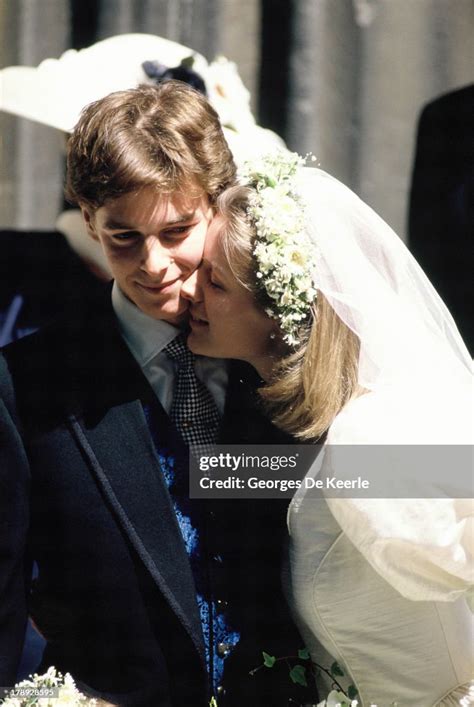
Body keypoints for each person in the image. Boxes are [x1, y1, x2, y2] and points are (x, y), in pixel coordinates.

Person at [0, 85, 316, 707]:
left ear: (217, 207)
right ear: (87, 219)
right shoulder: (24, 383)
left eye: (177, 231)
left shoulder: (289, 349)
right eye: (123, 238)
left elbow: (376, 483)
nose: (155, 265)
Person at [181, 151, 474, 705]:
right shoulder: (304, 433)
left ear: (279, 316)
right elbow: (233, 480)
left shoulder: (367, 439)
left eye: (214, 283)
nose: (189, 292)